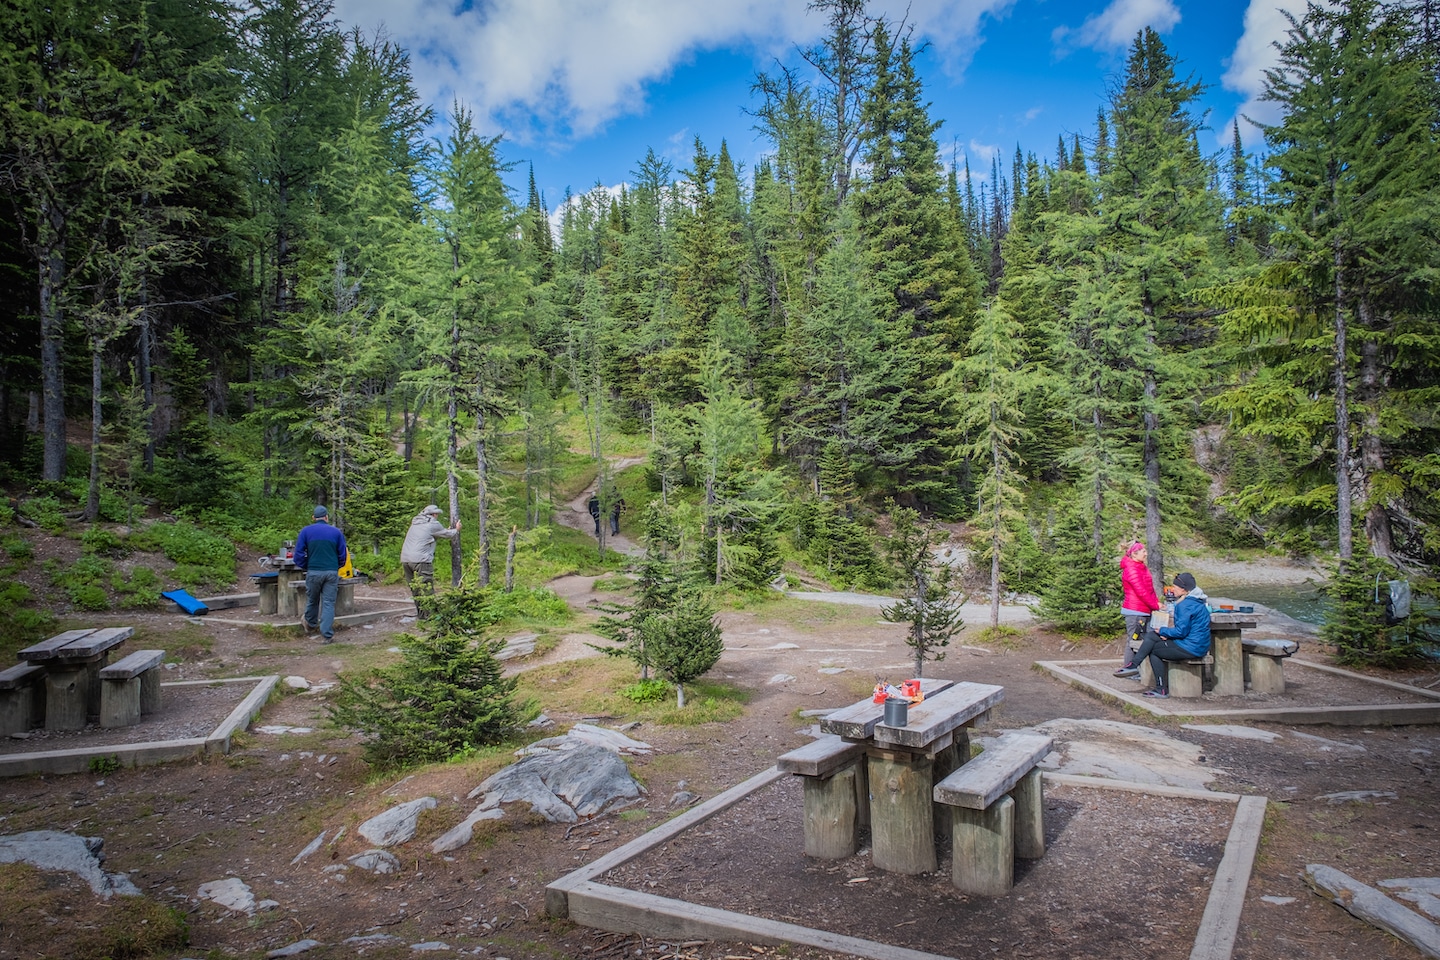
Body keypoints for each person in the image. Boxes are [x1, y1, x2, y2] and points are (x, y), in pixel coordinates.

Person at [1113, 572, 1211, 698]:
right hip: (1198, 644)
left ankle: (1160, 689)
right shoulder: (1198, 601)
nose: (1172, 589)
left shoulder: (1185, 605)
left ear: (1183, 589)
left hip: (1191, 647)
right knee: (1152, 636)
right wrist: (1167, 634)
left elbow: (1181, 632)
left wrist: (1164, 631)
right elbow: (1187, 630)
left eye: (1175, 587)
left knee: (1154, 651)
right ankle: (1133, 666)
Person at [294, 505, 348, 643]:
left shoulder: (305, 532)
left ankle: (311, 624)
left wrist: (307, 565)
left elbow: (298, 554)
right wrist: (336, 566)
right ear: (327, 517)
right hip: (331, 572)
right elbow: (343, 554)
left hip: (313, 572)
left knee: (313, 600)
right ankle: (327, 635)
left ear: (313, 517)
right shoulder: (336, 532)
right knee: (328, 603)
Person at [400, 504, 461, 617]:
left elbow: (427, 536)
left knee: (415, 588)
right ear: (433, 514)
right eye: (436, 514)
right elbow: (448, 534)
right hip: (421, 560)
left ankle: (421, 614)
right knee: (426, 587)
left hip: (406, 559)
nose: (437, 516)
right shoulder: (433, 523)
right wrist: (456, 530)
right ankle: (430, 615)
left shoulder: (416, 523)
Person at [1119, 540, 1161, 665]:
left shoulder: (1141, 567)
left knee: (1147, 640)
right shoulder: (1131, 569)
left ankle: (1142, 670)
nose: (1146, 553)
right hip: (1135, 611)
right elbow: (1141, 591)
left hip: (1145, 610)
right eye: (1143, 551)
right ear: (1134, 554)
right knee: (1133, 640)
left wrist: (1157, 603)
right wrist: (1155, 605)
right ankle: (1129, 668)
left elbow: (1149, 589)